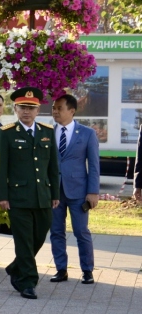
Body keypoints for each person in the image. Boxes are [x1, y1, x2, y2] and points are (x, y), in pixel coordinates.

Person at [0, 88, 60, 300]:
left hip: (43, 196)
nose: (26, 112)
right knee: (23, 241)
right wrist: (1, 195)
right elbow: (0, 166)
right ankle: (28, 282)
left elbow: (53, 166)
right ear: (15, 108)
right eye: (22, 107)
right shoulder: (7, 132)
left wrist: (55, 193)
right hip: (18, 198)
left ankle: (16, 267)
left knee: (39, 238)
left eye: (31, 108)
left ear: (38, 109)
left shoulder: (47, 131)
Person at [49, 93, 99, 285]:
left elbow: (94, 165)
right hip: (54, 191)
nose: (55, 111)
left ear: (72, 111)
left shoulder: (87, 134)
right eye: (53, 108)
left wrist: (93, 192)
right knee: (56, 231)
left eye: (59, 108)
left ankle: (87, 270)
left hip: (78, 191)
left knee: (81, 231)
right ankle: (61, 269)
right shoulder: (48, 132)